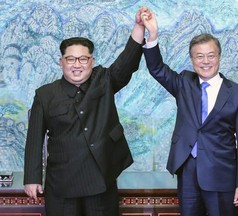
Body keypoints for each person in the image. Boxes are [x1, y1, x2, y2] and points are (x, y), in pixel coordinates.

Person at [24, 7, 151, 216]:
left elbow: (126, 62)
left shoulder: (104, 80)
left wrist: (139, 27)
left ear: (91, 61)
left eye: (83, 59)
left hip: (100, 180)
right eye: (70, 59)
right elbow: (34, 139)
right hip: (61, 183)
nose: (77, 65)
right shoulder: (45, 95)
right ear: (61, 62)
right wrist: (32, 177)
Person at [141, 11, 238, 216]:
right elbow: (157, 68)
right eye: (199, 56)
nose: (205, 61)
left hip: (221, 175)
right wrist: (153, 34)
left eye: (211, 55)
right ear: (192, 60)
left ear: (219, 57)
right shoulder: (184, 83)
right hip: (188, 172)